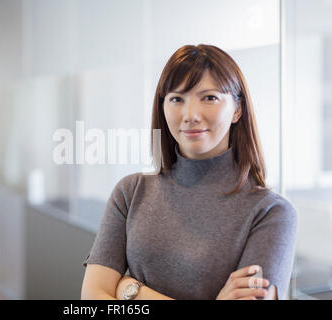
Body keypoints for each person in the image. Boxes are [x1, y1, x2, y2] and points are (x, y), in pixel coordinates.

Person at [80, 44, 298, 300]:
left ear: (237, 109)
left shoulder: (271, 213)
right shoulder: (131, 192)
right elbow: (92, 298)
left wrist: (132, 292)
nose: (190, 115)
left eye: (209, 98)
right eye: (177, 99)